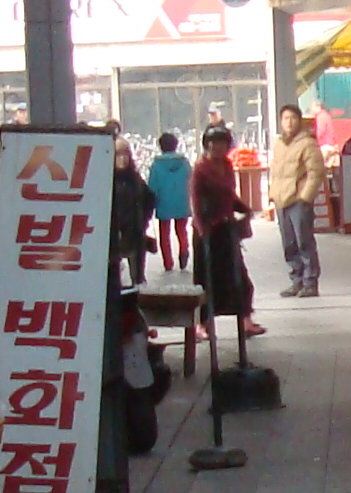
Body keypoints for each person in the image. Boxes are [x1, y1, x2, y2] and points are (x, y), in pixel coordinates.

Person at [192, 123, 263, 349]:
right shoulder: (200, 169)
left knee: (239, 277)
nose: (218, 148)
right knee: (206, 281)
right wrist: (203, 229)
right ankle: (202, 324)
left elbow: (230, 195)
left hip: (226, 231)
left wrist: (244, 209)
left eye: (222, 143)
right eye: (213, 143)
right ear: (207, 145)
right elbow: (195, 202)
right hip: (207, 232)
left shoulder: (227, 166)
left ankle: (245, 320)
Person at [267, 102, 327, 297]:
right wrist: (273, 194)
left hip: (298, 201)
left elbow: (316, 172)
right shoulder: (279, 144)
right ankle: (296, 280)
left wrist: (305, 197)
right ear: (281, 121)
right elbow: (275, 172)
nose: (289, 122)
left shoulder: (307, 143)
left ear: (299, 120)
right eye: (286, 118)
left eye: (293, 118)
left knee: (304, 242)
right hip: (281, 200)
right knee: (289, 244)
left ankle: (310, 282)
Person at [110, 138, 154, 291]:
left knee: (138, 278)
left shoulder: (135, 179)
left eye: (125, 154)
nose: (122, 159)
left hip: (135, 232)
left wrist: (143, 220)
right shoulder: (107, 180)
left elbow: (149, 199)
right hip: (114, 235)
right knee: (114, 277)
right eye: (118, 155)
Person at [145, 127, 192, 271]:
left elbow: (152, 186)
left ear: (161, 146)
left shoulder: (156, 165)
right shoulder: (184, 163)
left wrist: (150, 202)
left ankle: (168, 262)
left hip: (163, 203)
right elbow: (191, 180)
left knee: (164, 234)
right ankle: (184, 250)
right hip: (182, 201)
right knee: (181, 230)